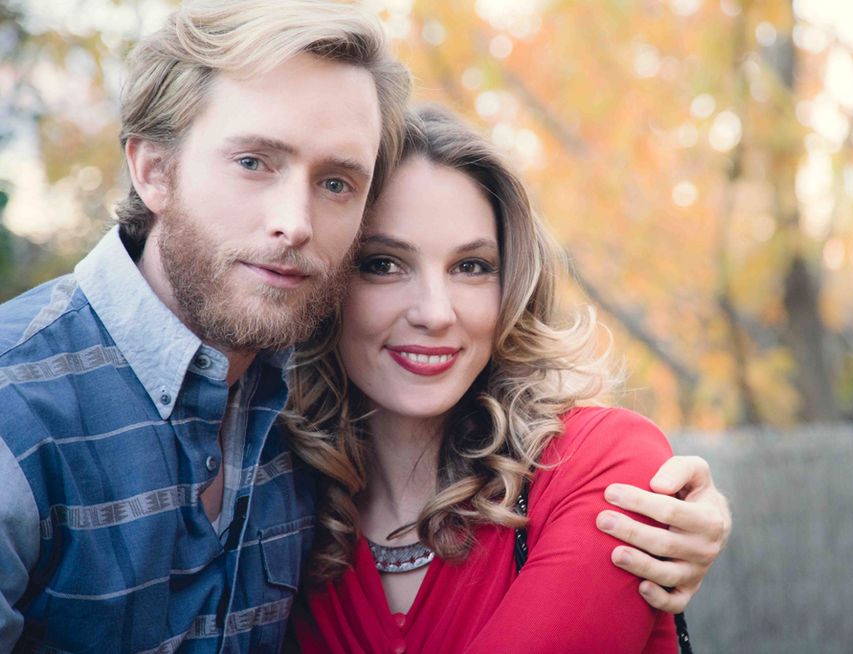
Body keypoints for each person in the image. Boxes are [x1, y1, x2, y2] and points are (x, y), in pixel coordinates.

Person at [0, 1, 728, 651]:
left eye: (336, 183)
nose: (295, 222)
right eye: (254, 161)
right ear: (153, 170)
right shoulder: (20, 412)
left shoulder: (282, 438)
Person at [285, 106, 712, 653]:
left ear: (510, 286)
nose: (435, 313)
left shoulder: (605, 464)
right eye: (384, 264)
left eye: (471, 267)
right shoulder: (277, 499)